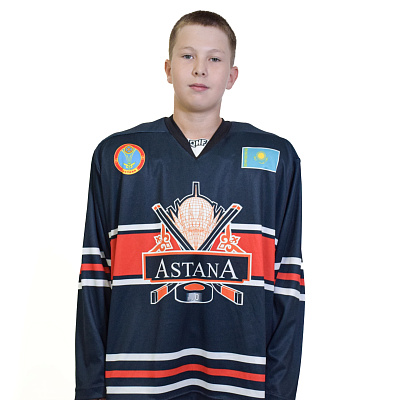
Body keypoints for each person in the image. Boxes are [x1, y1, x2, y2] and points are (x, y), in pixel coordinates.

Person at [75, 10, 304, 400]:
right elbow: (95, 281)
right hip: (135, 381)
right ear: (167, 68)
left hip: (241, 383)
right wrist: (91, 389)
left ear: (231, 75)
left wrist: (279, 391)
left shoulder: (276, 158)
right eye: (187, 56)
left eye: (214, 58)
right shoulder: (116, 156)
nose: (200, 68)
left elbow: (289, 285)